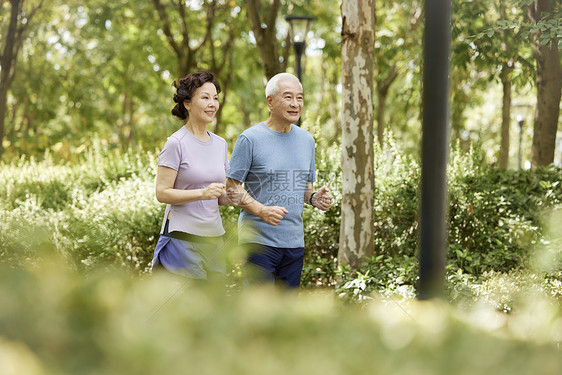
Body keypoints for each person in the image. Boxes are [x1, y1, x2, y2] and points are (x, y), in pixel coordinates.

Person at [226, 72, 333, 288]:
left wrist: (315, 199)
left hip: (294, 243)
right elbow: (232, 187)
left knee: (285, 316)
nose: (295, 104)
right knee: (260, 312)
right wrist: (261, 211)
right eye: (288, 97)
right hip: (257, 241)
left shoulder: (307, 140)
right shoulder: (250, 139)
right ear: (270, 101)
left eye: (300, 98)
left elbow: (305, 189)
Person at [152, 70, 231, 281]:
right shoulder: (176, 143)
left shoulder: (220, 144)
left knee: (215, 308)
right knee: (188, 309)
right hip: (182, 238)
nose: (212, 103)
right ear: (187, 103)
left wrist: (234, 196)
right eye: (205, 97)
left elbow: (220, 196)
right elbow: (162, 193)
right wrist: (202, 193)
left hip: (214, 239)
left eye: (215, 98)